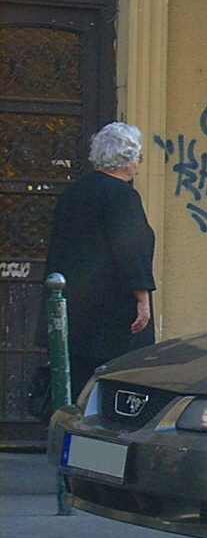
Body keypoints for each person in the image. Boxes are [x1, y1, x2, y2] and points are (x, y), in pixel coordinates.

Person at [46, 122, 156, 398]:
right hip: (113, 316)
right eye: (138, 158)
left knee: (77, 388)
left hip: (74, 309)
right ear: (127, 160)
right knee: (118, 386)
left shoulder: (73, 193)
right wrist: (142, 299)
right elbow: (132, 251)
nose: (138, 166)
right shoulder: (123, 196)